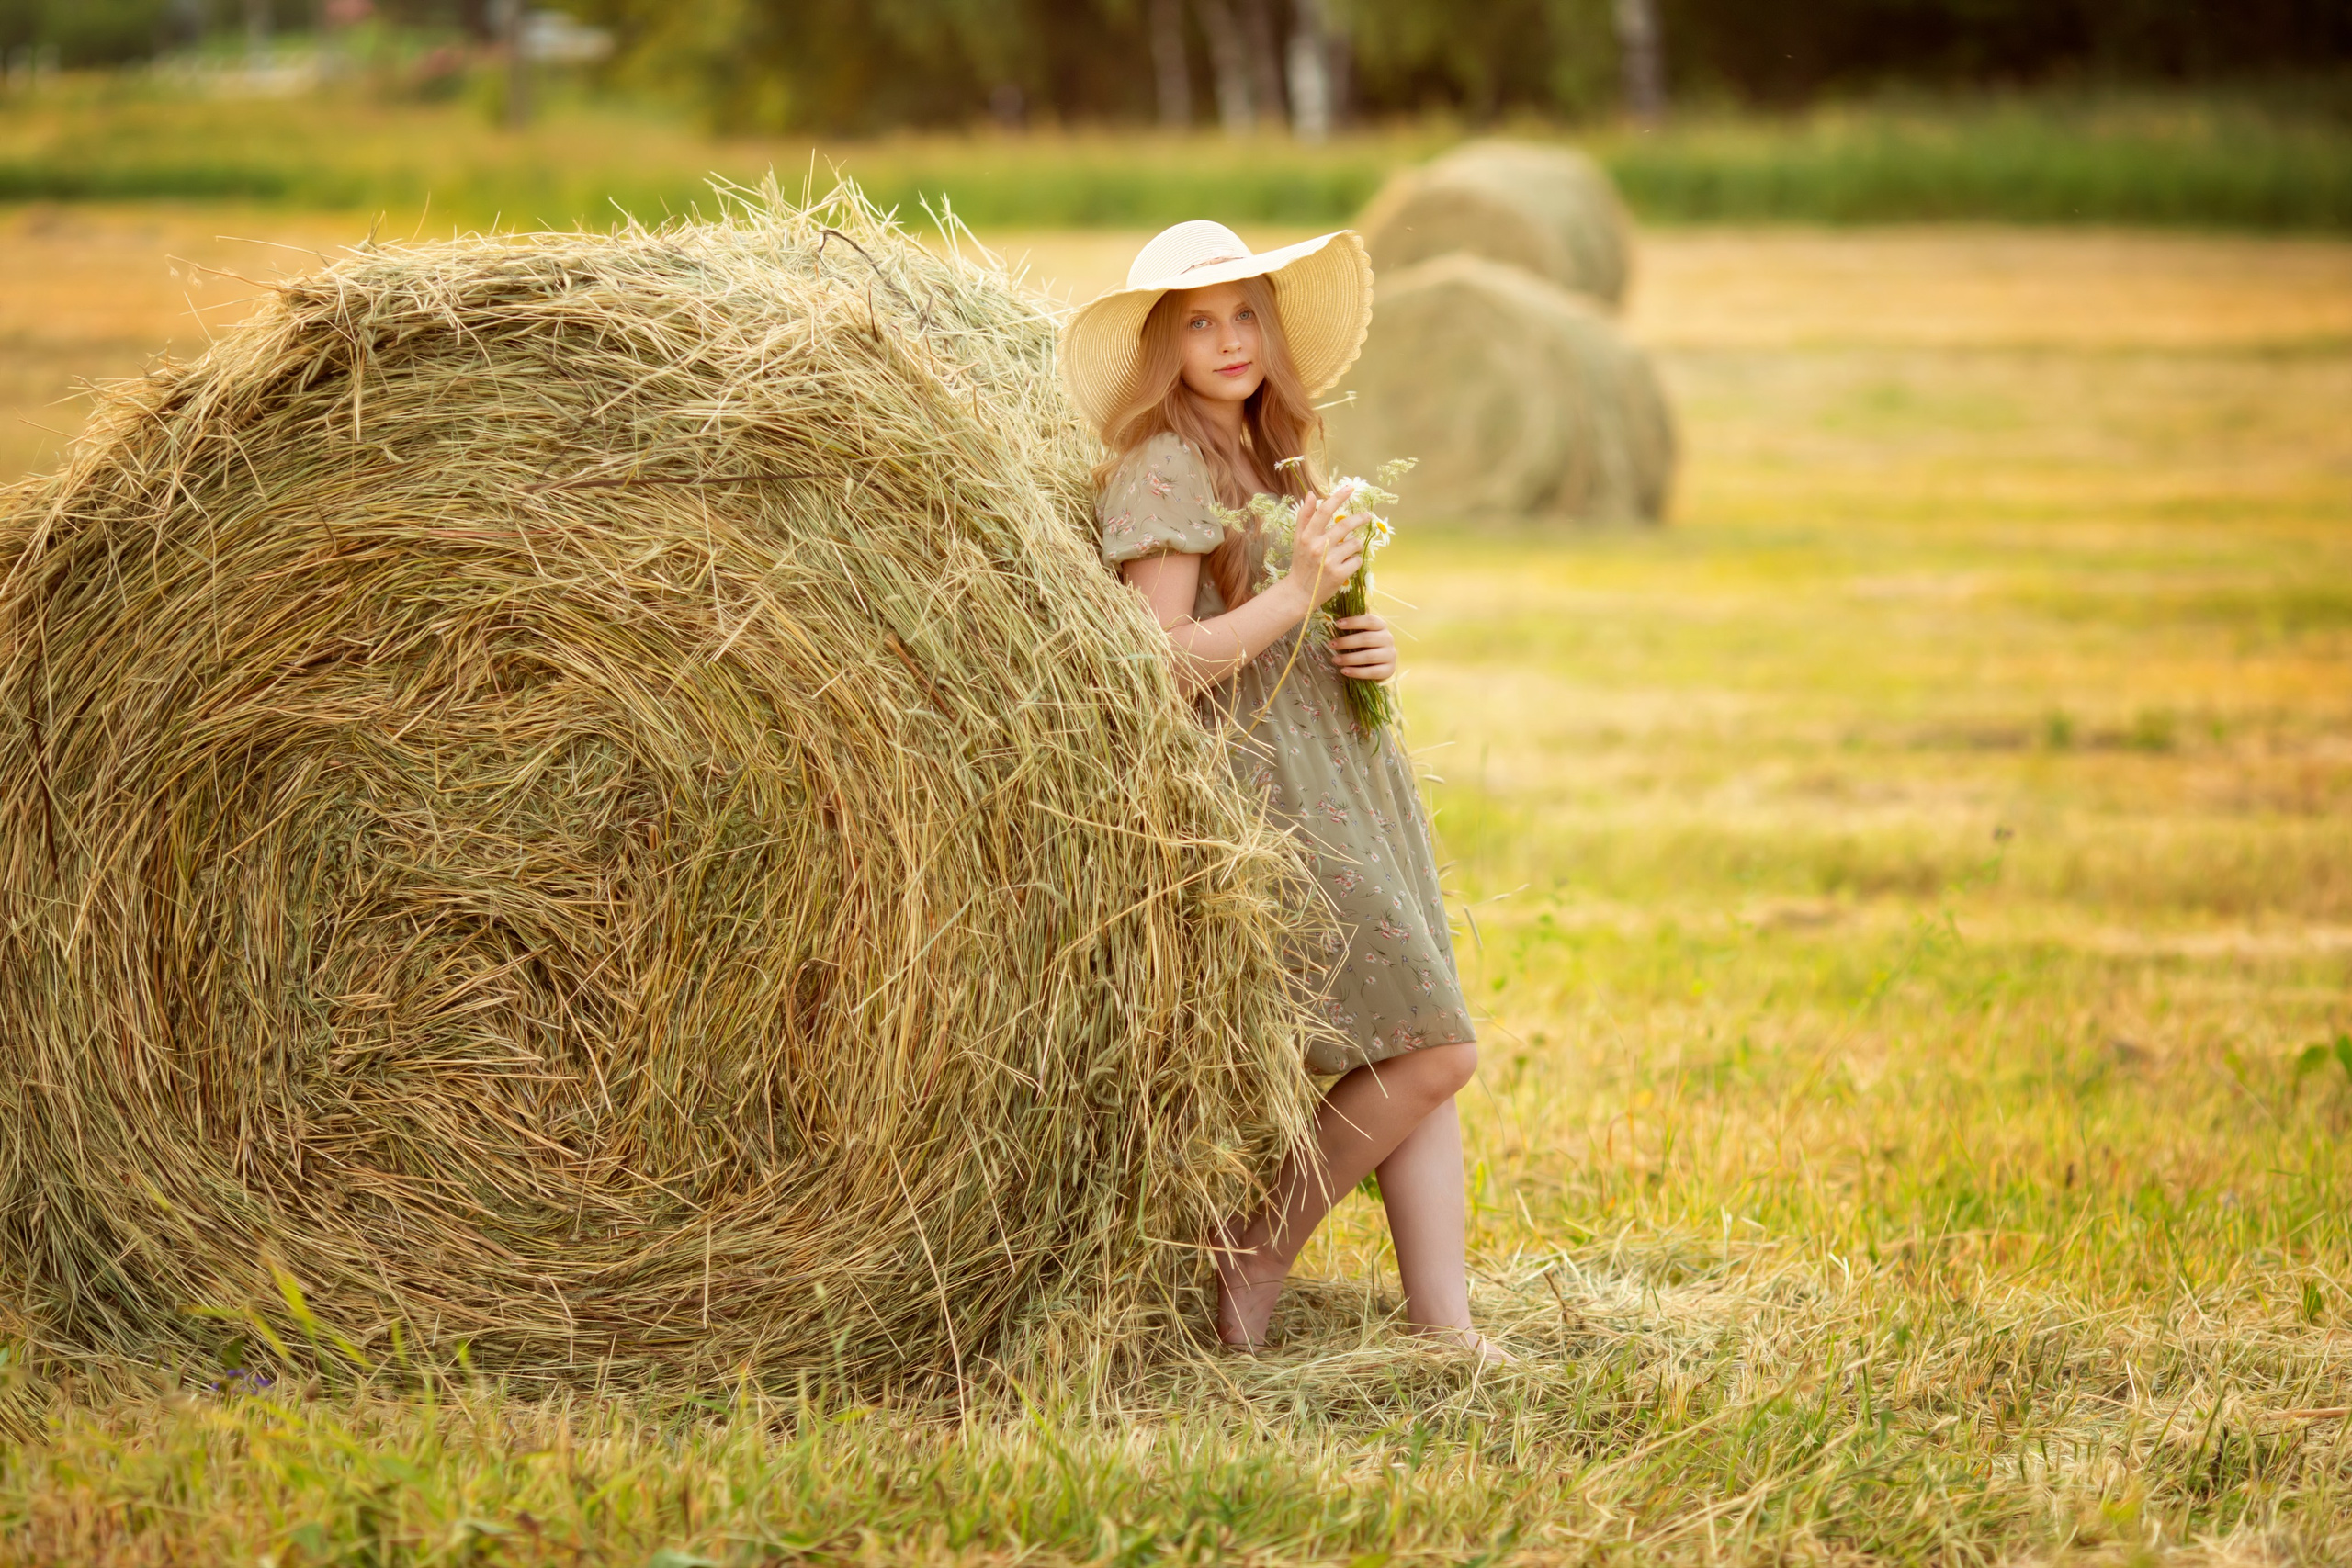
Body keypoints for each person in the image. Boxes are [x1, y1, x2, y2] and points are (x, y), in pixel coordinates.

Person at [1062, 221, 1504, 1361]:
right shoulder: (1162, 464)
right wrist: (1303, 590)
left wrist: (1366, 647)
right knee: (1432, 1051)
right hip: (1265, 798)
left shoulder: (1280, 458)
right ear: (1164, 344)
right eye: (1198, 322)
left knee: (1419, 1037)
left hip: (1345, 774)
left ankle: (1442, 1330)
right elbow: (1156, 660)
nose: (1228, 339)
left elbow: (1300, 620)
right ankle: (1251, 1251)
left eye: (1244, 313)